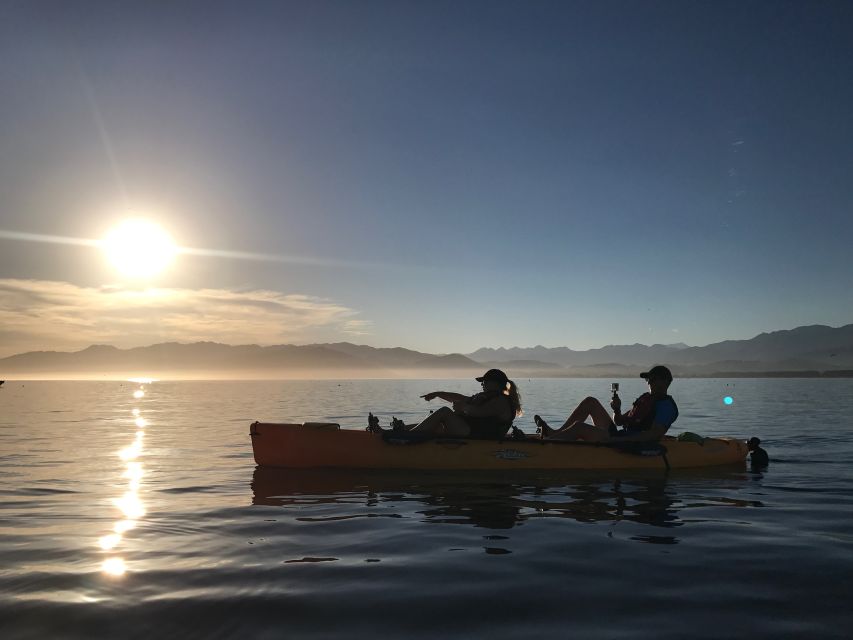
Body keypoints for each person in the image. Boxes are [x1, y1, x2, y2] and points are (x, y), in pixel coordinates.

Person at [535, 365, 678, 442]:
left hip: (627, 443)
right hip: (620, 435)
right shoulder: (646, 399)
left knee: (579, 428)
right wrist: (616, 410)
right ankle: (556, 434)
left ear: (665, 382)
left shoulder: (666, 406)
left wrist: (617, 441)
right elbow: (619, 422)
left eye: (653, 379)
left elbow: (653, 435)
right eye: (648, 380)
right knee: (590, 402)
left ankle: (548, 444)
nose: (649, 383)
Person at [368, 368, 522, 439]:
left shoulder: (500, 401)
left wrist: (464, 408)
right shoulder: (487, 396)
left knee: (444, 412)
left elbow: (477, 413)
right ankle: (389, 432)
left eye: (484, 381)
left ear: (495, 383)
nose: (482, 384)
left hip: (479, 437)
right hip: (469, 431)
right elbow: (461, 398)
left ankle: (406, 437)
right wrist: (437, 394)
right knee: (437, 425)